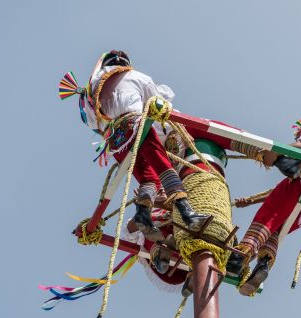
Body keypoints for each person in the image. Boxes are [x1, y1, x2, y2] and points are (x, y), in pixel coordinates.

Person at [59, 50, 209, 241]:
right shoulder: (135, 76)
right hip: (136, 127)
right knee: (164, 168)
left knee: (150, 180)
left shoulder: (90, 92)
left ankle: (143, 215)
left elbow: (93, 124)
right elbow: (158, 103)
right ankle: (187, 214)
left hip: (116, 143)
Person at [226, 113, 301, 296]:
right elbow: (280, 196)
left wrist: (275, 152)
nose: (298, 137)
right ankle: (263, 265)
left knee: (268, 215)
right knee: (275, 230)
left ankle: (238, 257)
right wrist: (249, 200)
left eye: (299, 134)